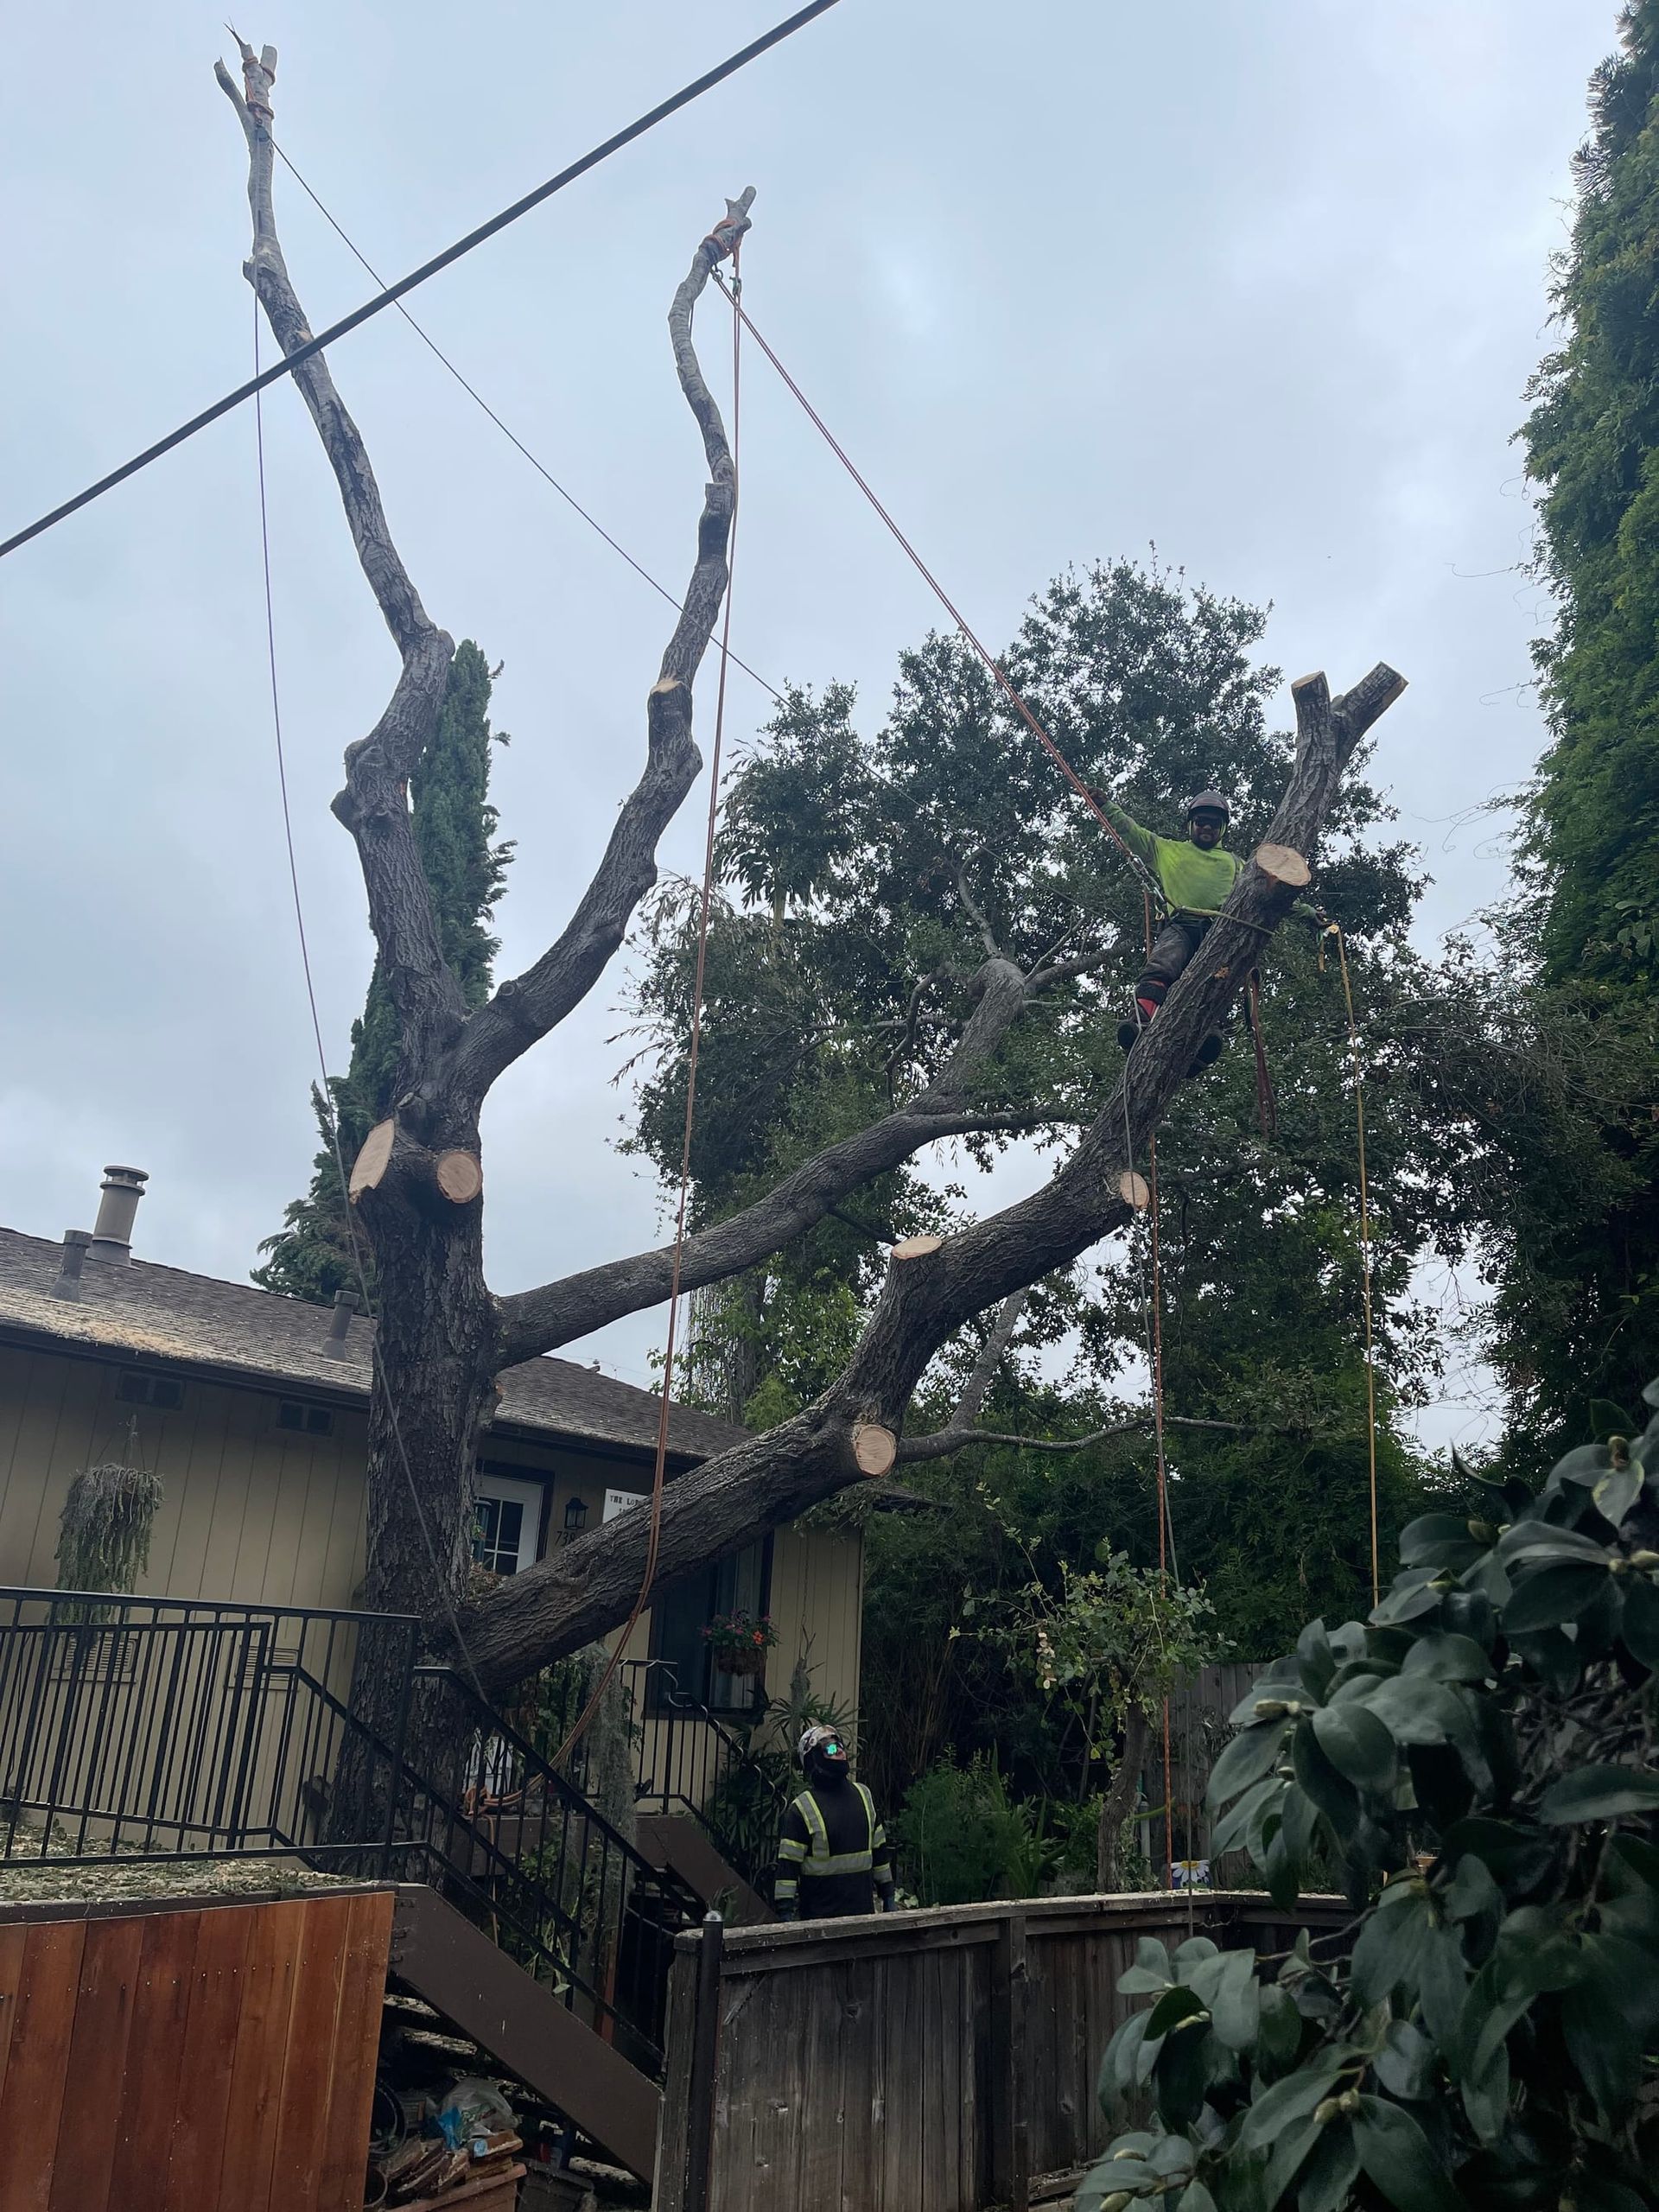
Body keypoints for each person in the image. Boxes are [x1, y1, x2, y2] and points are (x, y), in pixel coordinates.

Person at [1086, 785, 1321, 1065]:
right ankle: (1142, 1016)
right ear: (1191, 825)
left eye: (1214, 823)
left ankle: (1207, 1035)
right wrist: (1105, 805)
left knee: (1217, 979)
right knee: (1164, 962)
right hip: (1182, 923)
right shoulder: (1167, 850)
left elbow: (1268, 892)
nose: (1207, 827)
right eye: (1201, 822)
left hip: (1219, 932)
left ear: (1222, 828)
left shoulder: (1236, 864)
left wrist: (1307, 912)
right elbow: (1131, 832)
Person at [772, 1724, 897, 1920]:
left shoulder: (864, 1796)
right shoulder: (802, 1808)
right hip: (819, 1926)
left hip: (863, 1920)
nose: (839, 1750)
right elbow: (787, 1868)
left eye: (840, 1745)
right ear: (814, 1759)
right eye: (830, 1748)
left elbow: (879, 1852)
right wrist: (785, 1913)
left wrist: (888, 1895)